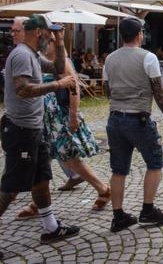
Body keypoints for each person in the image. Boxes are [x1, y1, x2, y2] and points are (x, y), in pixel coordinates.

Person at [0, 14, 79, 244]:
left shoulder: (33, 54)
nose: (50, 37)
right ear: (38, 33)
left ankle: (51, 227)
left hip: (34, 128)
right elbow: (23, 89)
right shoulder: (23, 55)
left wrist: (62, 42)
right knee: (11, 187)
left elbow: (57, 66)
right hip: (21, 130)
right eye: (49, 33)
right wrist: (58, 85)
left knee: (41, 179)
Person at [103, 18, 163, 233]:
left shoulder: (110, 59)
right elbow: (158, 91)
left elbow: (107, 89)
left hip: (115, 119)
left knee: (119, 170)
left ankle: (118, 216)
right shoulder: (148, 57)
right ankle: (148, 210)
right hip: (138, 118)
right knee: (155, 163)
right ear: (139, 34)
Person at [40, 32, 110, 211]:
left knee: (70, 159)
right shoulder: (40, 58)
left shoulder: (61, 60)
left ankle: (102, 189)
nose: (43, 45)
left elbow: (74, 88)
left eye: (46, 42)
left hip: (60, 117)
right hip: (46, 118)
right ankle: (38, 201)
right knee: (43, 158)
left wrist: (73, 115)